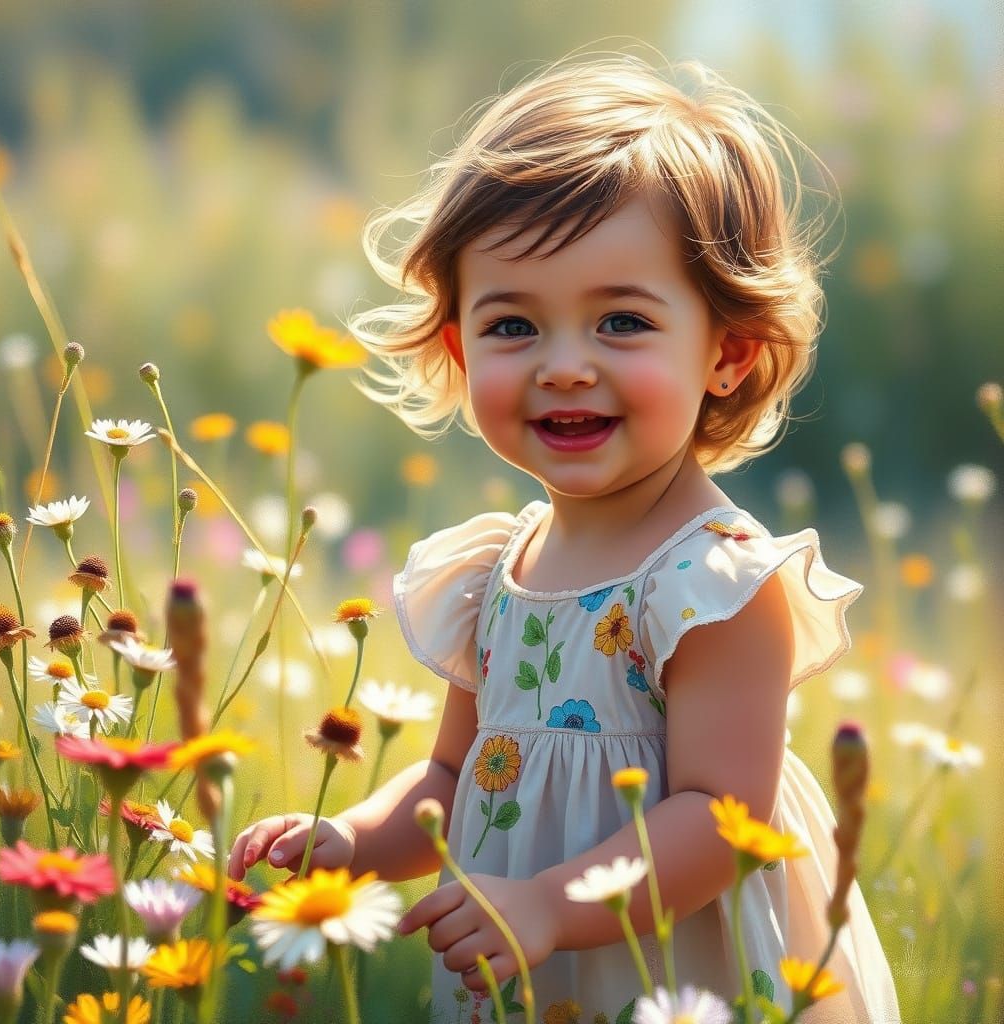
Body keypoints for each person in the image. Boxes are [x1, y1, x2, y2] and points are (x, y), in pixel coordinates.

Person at [229, 50, 902, 1023]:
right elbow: (452, 779)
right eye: (513, 327)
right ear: (460, 346)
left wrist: (545, 903)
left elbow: (721, 820)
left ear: (726, 351)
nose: (565, 367)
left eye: (620, 320)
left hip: (674, 971)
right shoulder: (494, 572)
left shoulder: (710, 582)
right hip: (524, 963)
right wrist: (350, 844)